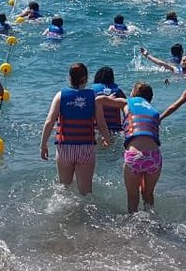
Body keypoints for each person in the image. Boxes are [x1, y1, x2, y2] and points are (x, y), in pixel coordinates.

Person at [39, 63, 123, 196]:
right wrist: (107, 138)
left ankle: (64, 209)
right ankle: (86, 209)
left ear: (69, 78)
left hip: (65, 148)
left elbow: (49, 121)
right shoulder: (93, 97)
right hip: (86, 148)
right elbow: (101, 122)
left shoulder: (60, 96)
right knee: (86, 192)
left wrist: (43, 145)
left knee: (64, 188)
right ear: (86, 78)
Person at [122, 82, 163, 213]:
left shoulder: (128, 103)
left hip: (134, 156)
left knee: (132, 197)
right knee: (148, 195)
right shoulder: (153, 111)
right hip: (154, 157)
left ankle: (132, 223)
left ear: (134, 94)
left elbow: (101, 100)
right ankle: (151, 219)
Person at [92, 66, 127, 133]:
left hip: (98, 129)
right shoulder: (118, 91)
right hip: (115, 129)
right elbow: (127, 108)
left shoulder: (93, 90)